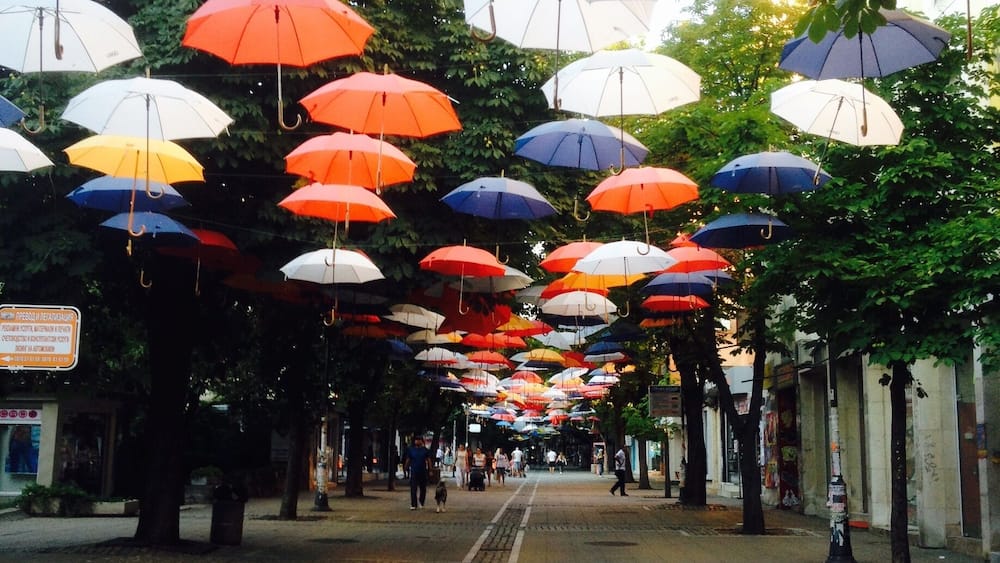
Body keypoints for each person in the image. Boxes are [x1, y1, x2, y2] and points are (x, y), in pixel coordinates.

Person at [403, 435, 432, 510]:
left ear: (421, 441)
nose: (417, 441)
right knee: (413, 488)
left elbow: (429, 460)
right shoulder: (411, 450)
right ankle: (413, 504)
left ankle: (421, 502)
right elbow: (408, 459)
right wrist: (405, 468)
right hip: (414, 472)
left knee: (423, 488)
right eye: (416, 440)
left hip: (423, 471)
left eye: (419, 440)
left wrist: (430, 470)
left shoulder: (425, 450)